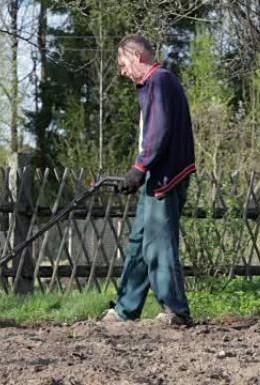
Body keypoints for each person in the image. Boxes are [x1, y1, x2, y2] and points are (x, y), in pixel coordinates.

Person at [101, 34, 196, 325]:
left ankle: (176, 311)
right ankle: (125, 308)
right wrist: (140, 172)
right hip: (156, 176)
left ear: (136, 57)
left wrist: (139, 168)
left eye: (123, 63)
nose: (122, 71)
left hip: (166, 176)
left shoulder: (159, 81)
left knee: (158, 245)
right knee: (140, 243)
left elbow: (159, 129)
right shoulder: (155, 84)